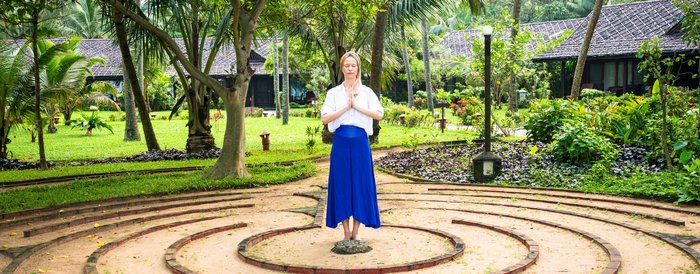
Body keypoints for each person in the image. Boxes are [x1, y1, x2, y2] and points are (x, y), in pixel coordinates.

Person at [321, 51, 383, 241]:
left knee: (360, 183)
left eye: (353, 66)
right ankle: (346, 232)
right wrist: (346, 107)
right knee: (341, 184)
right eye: (347, 66)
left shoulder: (366, 92)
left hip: (360, 144)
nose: (350, 69)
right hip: (340, 143)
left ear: (358, 68)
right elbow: (325, 118)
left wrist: (356, 105)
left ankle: (356, 232)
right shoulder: (333, 93)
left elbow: (379, 114)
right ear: (342, 68)